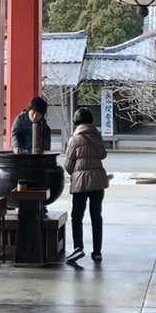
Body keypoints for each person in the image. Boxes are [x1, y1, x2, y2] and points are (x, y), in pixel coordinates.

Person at [62, 107, 109, 263]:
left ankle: (78, 248)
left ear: (76, 121)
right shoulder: (97, 136)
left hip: (80, 183)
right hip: (97, 181)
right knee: (96, 216)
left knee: (77, 216)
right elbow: (103, 154)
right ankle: (97, 252)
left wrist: (76, 173)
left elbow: (68, 165)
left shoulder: (74, 139)